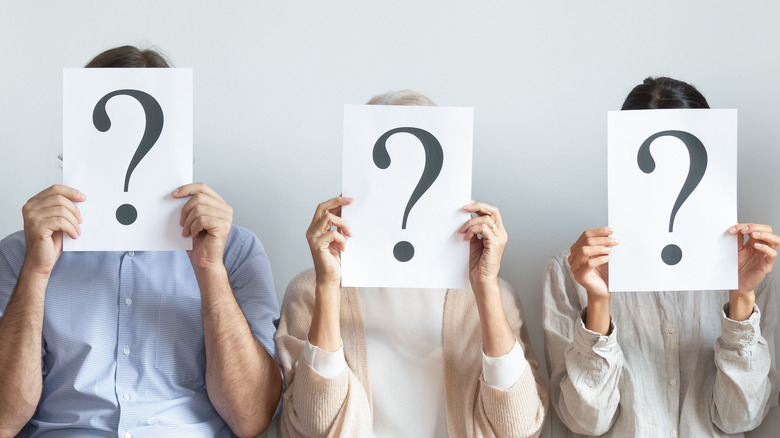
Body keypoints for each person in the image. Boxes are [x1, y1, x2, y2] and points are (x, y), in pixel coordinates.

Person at [0, 46, 281, 438]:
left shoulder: (235, 251)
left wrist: (209, 271)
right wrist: (36, 271)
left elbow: (251, 418)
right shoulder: (19, 253)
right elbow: (3, 418)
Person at [275, 90, 548, 437]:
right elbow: (316, 426)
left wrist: (486, 289)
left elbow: (519, 429)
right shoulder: (309, 294)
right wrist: (328, 287)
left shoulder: (494, 295)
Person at [543, 76, 779, 437]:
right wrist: (598, 305)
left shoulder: (750, 268)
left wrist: (741, 298)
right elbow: (584, 422)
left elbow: (741, 419)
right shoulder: (571, 271)